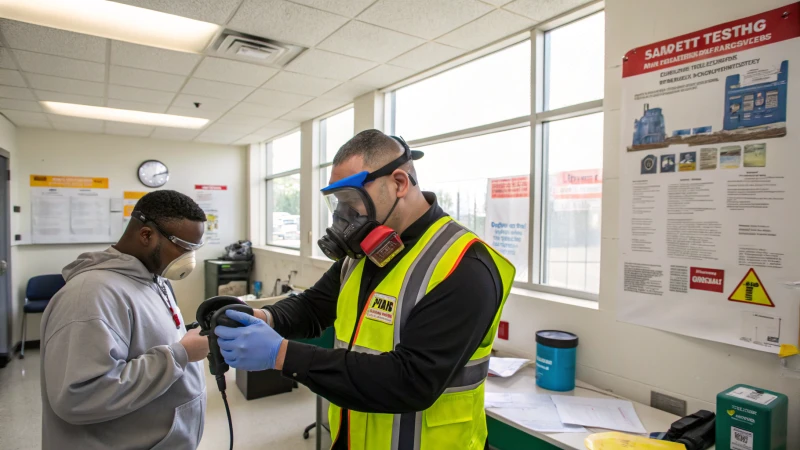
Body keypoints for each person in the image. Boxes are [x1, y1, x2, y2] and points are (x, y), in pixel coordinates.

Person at [215, 130, 516, 450]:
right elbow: (314, 306)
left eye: (352, 199)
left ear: (399, 183)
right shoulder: (362, 255)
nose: (344, 214)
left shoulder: (465, 265)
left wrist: (283, 355)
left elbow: (411, 381)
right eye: (339, 202)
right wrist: (263, 317)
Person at [40, 190, 210, 450]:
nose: (190, 259)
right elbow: (79, 397)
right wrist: (181, 354)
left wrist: (186, 337)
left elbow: (145, 341)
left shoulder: (154, 278)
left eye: (195, 249)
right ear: (146, 235)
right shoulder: (89, 296)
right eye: (184, 247)